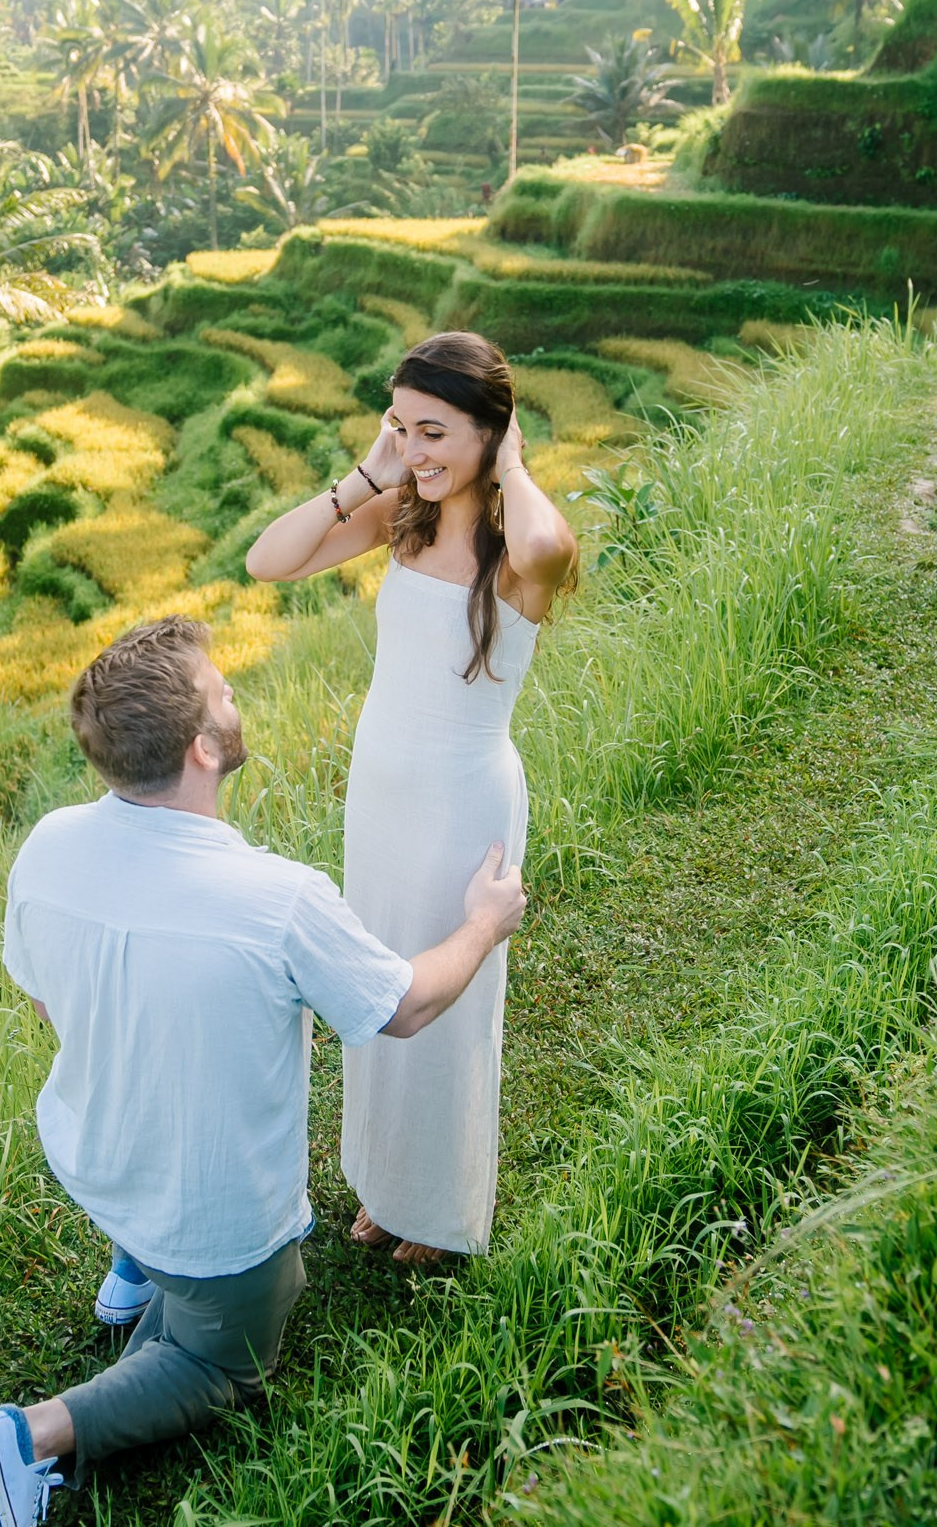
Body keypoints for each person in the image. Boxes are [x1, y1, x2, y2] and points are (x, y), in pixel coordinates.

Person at [0, 616, 528, 1527]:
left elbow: (49, 1007)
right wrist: (484, 923)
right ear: (203, 747)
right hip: (210, 1219)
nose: (235, 695)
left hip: (94, 1160)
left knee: (150, 1103)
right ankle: (28, 1437)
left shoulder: (49, 846)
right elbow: (407, 1005)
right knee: (227, 1357)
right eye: (224, 689)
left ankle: (134, 1265)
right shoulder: (277, 901)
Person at [244, 332, 579, 1265]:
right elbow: (269, 561)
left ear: (490, 431)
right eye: (404, 427)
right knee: (380, 979)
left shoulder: (517, 550)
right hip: (379, 792)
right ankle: (386, 1185)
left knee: (451, 1003)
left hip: (459, 800)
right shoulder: (407, 512)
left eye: (436, 431)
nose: (418, 450)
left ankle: (436, 1204)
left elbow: (553, 541)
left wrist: (511, 461)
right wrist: (371, 469)